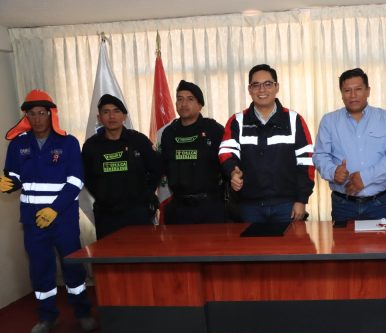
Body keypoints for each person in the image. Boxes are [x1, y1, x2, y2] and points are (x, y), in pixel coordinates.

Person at [1, 90, 97, 333]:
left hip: (63, 219)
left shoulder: (68, 142)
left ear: (50, 114)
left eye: (41, 113)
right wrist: (9, 183)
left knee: (72, 267)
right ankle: (47, 317)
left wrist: (54, 209)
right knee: (40, 269)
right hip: (32, 220)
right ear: (27, 116)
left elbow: (76, 181)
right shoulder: (18, 144)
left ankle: (83, 313)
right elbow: (14, 176)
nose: (37, 119)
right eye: (32, 114)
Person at [219, 64, 314, 223]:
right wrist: (232, 172)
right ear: (249, 89)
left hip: (287, 206)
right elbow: (226, 152)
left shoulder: (294, 120)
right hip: (249, 206)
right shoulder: (237, 121)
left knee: (291, 241)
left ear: (277, 87)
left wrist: (301, 199)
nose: (262, 90)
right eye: (256, 85)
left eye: (268, 84)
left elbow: (307, 161)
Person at [313, 68, 386, 221]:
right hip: (343, 203)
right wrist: (333, 172)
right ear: (341, 93)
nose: (353, 95)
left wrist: (365, 178)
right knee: (343, 238)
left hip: (379, 203)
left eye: (358, 89)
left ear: (368, 91)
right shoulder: (329, 121)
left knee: (380, 238)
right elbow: (320, 155)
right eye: (347, 90)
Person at [82, 94, 162, 239]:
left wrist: (146, 194)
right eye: (106, 112)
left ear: (124, 116)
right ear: (99, 118)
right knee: (109, 253)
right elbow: (87, 176)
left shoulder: (139, 140)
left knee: (142, 252)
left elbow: (156, 169)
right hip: (107, 215)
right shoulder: (91, 146)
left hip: (138, 213)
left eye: (116, 111)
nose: (111, 116)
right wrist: (103, 195)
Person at [159, 80, 226, 224]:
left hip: (209, 207)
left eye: (190, 99)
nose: (183, 104)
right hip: (178, 208)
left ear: (200, 105)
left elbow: (227, 162)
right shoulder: (169, 133)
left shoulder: (213, 130)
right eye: (180, 99)